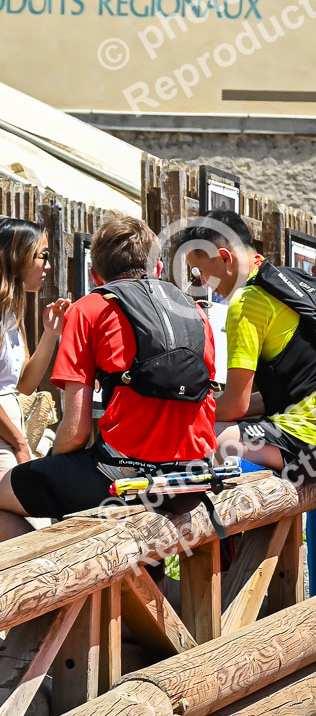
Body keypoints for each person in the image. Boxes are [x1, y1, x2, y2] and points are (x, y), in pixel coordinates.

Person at [0, 213, 215, 539]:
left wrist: (55, 464)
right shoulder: (196, 311)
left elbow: (75, 432)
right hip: (191, 481)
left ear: (94, 274)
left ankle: (60, 568)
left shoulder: (88, 310)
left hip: (123, 480)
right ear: (157, 269)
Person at [187, 211, 316, 484]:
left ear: (224, 258)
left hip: (310, 448)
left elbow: (235, 406)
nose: (202, 283)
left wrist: (189, 414)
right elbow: (284, 392)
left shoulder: (247, 302)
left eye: (199, 272)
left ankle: (215, 513)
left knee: (209, 434)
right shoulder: (286, 280)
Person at [0, 218, 70, 476]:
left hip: (10, 433)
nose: (48, 266)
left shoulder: (11, 313)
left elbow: (24, 385)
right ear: (18, 256)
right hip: (7, 436)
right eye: (43, 256)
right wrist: (19, 444)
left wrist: (50, 334)